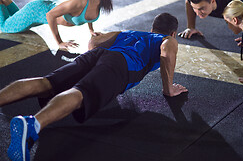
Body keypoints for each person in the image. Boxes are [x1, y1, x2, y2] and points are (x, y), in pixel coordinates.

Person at [0, 12, 188, 161]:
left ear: (152, 27)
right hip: (121, 65)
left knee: (47, 82)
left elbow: (94, 42)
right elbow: (166, 50)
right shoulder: (168, 40)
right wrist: (168, 88)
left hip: (97, 54)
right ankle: (31, 125)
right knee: (81, 93)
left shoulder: (129, 33)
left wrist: (97, 67)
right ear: (172, 33)